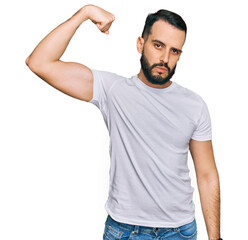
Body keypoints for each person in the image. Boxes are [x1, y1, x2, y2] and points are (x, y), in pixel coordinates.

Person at [25, 4, 222, 240]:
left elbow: (207, 174)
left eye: (174, 51)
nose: (165, 58)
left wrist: (215, 237)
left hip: (180, 231)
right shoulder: (113, 90)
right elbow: (39, 62)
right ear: (141, 44)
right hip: (125, 230)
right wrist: (85, 13)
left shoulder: (194, 105)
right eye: (158, 45)